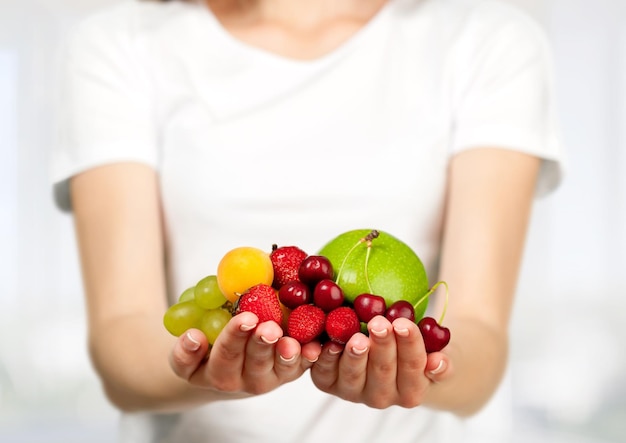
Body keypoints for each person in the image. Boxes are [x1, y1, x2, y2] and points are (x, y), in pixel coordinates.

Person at [52, 0, 563, 441]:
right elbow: (122, 337)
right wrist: (203, 368)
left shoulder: (487, 41)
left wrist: (417, 369)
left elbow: (479, 335)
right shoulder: (121, 42)